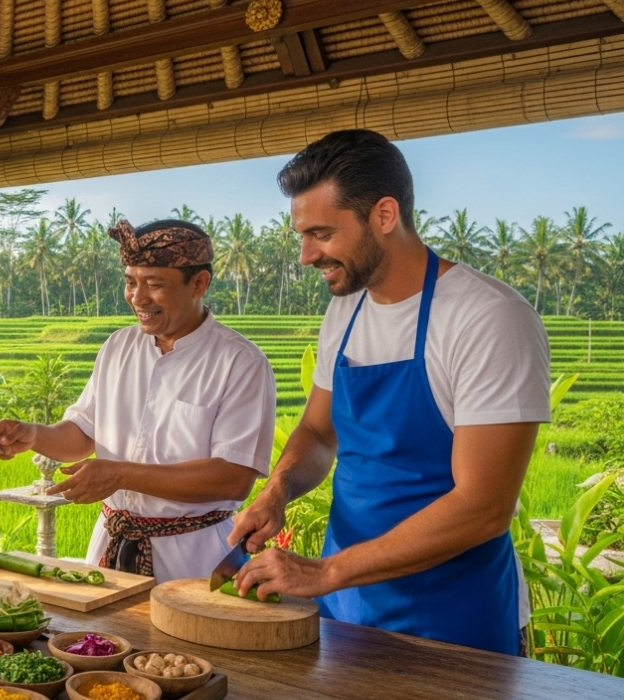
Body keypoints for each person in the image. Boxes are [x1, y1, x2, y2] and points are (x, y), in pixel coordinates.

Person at [228, 129, 549, 655]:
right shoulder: (345, 311)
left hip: (454, 618)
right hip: (348, 606)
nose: (307, 255)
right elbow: (316, 430)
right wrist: (277, 490)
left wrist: (327, 570)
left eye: (322, 234)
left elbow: (483, 505)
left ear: (383, 214)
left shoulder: (489, 318)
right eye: (302, 236)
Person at [0, 218, 276, 582]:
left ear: (199, 283)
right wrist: (35, 434)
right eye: (130, 282)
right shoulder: (118, 347)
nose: (137, 297)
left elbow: (232, 478)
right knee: (102, 641)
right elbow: (82, 433)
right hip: (109, 548)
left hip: (194, 560)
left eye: (154, 285)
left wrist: (120, 474)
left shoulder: (240, 362)